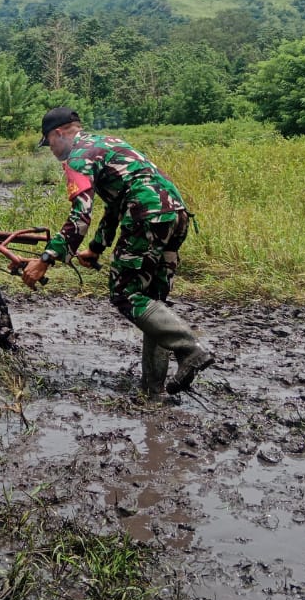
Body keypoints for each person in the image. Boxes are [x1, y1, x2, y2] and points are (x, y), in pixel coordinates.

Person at [21, 106, 212, 399]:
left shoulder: (77, 157)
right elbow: (113, 205)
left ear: (59, 133)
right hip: (176, 215)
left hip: (145, 216)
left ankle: (189, 349)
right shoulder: (108, 143)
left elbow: (80, 216)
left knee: (125, 294)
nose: (51, 150)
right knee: (151, 302)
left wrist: (46, 259)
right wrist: (96, 249)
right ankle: (153, 391)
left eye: (49, 142)